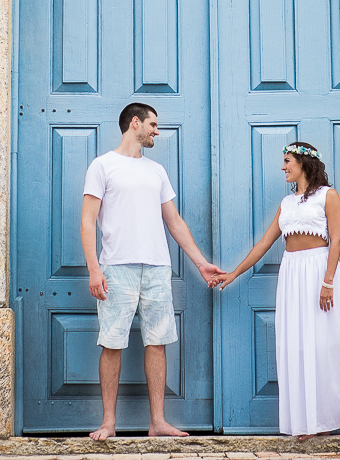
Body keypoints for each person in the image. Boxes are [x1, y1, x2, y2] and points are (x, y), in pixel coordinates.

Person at [212, 142, 340, 440]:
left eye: (287, 161)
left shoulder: (328, 195)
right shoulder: (287, 203)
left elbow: (337, 240)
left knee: (330, 343)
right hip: (292, 275)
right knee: (299, 345)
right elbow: (264, 243)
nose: (283, 167)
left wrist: (327, 281)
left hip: (320, 273)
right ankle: (311, 420)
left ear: (303, 163)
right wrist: (234, 273)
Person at [81, 103, 225, 440]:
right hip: (116, 268)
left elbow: (173, 222)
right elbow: (88, 221)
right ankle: (108, 422)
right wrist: (93, 269)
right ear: (136, 123)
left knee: (157, 342)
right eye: (153, 125)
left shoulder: (156, 170)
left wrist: (201, 263)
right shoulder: (103, 166)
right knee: (112, 343)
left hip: (158, 267)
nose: (157, 132)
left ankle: (158, 422)